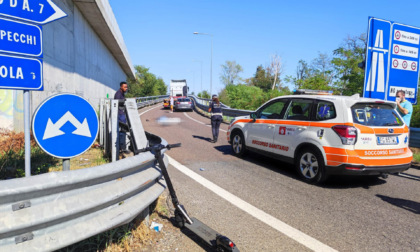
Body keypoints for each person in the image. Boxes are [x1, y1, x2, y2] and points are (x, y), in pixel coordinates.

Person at [114, 81, 130, 154]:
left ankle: (121, 147)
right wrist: (126, 100)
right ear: (121, 87)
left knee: (122, 131)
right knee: (122, 131)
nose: (126, 88)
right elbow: (117, 102)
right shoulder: (118, 94)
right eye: (125, 87)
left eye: (126, 87)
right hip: (120, 114)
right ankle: (122, 148)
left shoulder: (121, 93)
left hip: (121, 114)